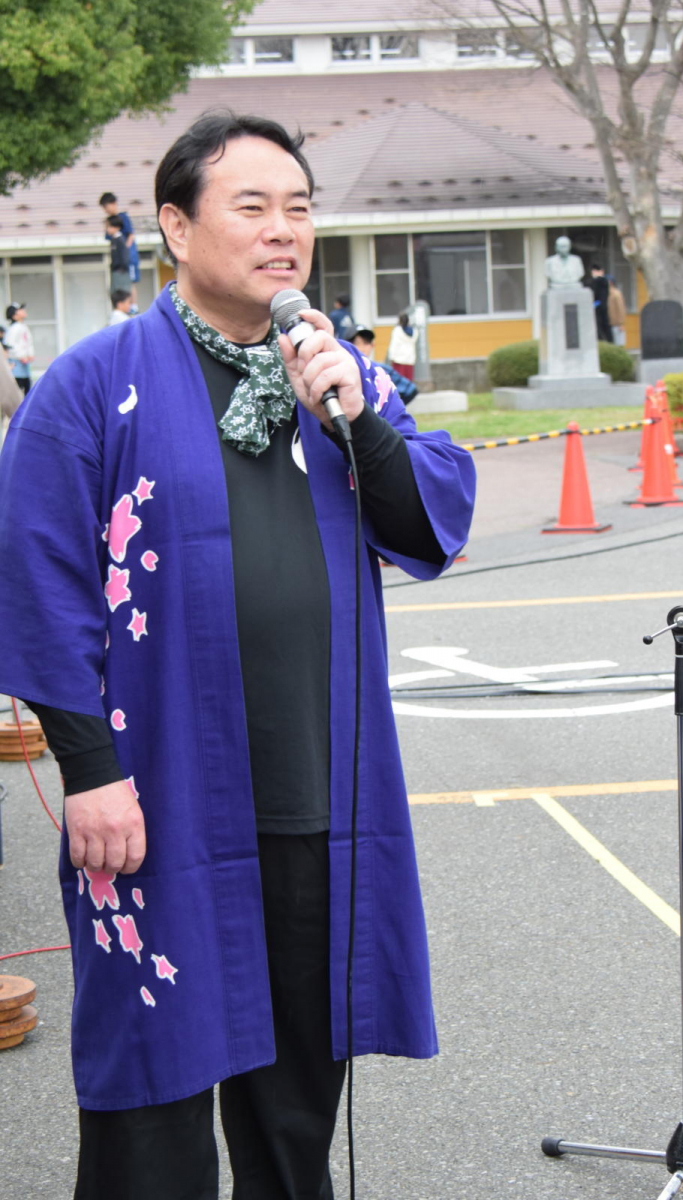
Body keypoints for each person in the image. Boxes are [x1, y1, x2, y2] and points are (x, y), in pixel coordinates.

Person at [0, 111, 476, 1200]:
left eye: (298, 209)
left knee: (297, 1101)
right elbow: (39, 585)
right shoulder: (91, 386)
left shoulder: (338, 376)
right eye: (250, 207)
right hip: (153, 798)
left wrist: (360, 419)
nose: (282, 233)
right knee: (152, 1095)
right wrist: (89, 774)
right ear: (174, 226)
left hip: (316, 794)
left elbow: (422, 521)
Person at [347, 324, 418, 404]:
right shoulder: (342, 370)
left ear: (372, 345)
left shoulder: (380, 370)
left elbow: (410, 390)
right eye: (356, 343)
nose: (361, 348)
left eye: (366, 343)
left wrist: (390, 411)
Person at [100, 192, 140, 309]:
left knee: (130, 282)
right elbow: (108, 237)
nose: (105, 210)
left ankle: (133, 306)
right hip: (119, 261)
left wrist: (125, 251)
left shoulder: (123, 218)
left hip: (129, 258)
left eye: (106, 207)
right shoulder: (109, 221)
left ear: (113, 204)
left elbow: (131, 235)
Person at [4, 302, 34, 395]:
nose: (23, 311)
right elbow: (10, 346)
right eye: (20, 310)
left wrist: (30, 355)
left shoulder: (23, 327)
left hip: (24, 365)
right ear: (14, 315)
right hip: (16, 366)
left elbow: (28, 343)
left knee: (27, 389)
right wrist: (21, 356)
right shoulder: (13, 329)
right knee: (18, 392)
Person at [387, 311, 418, 380]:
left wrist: (392, 356)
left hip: (399, 359)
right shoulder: (414, 331)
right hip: (410, 359)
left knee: (399, 382)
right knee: (408, 381)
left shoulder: (397, 330)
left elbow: (394, 344)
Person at [106, 215, 130, 296]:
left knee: (121, 294)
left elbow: (124, 256)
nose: (107, 229)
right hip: (115, 271)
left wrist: (121, 269)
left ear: (117, 227)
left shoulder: (120, 240)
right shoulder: (113, 239)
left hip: (120, 271)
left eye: (109, 226)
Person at [590, 263, 613, 343]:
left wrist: (597, 305)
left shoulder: (602, 281)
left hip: (600, 308)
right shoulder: (595, 281)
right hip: (598, 308)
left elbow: (601, 296)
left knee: (602, 328)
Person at [607, 275, 627, 345]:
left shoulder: (616, 294)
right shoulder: (607, 294)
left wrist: (621, 323)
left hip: (616, 325)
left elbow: (621, 309)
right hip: (609, 325)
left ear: (610, 283)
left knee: (619, 345)